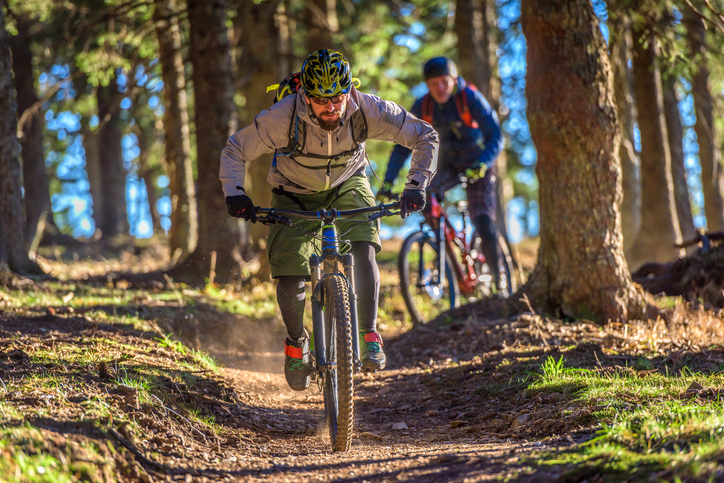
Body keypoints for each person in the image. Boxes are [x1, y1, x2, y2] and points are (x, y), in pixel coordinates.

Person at [220, 49, 439, 391]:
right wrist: (235, 192)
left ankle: (369, 333)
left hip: (348, 182)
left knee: (365, 246)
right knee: (290, 270)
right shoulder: (283, 116)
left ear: (349, 90)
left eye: (337, 98)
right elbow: (236, 149)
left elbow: (425, 135)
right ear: (305, 95)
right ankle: (296, 342)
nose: (331, 107)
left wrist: (416, 184)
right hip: (293, 191)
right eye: (321, 100)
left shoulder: (368, 109)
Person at [380, 56, 504, 286]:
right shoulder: (423, 106)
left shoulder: (469, 98)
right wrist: (388, 180)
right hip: (447, 164)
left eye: (444, 82)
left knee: (483, 221)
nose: (440, 88)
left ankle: (501, 284)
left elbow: (495, 135)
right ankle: (450, 264)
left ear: (454, 80)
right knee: (424, 201)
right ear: (427, 85)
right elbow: (402, 146)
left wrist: (484, 163)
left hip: (477, 162)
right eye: (434, 83)